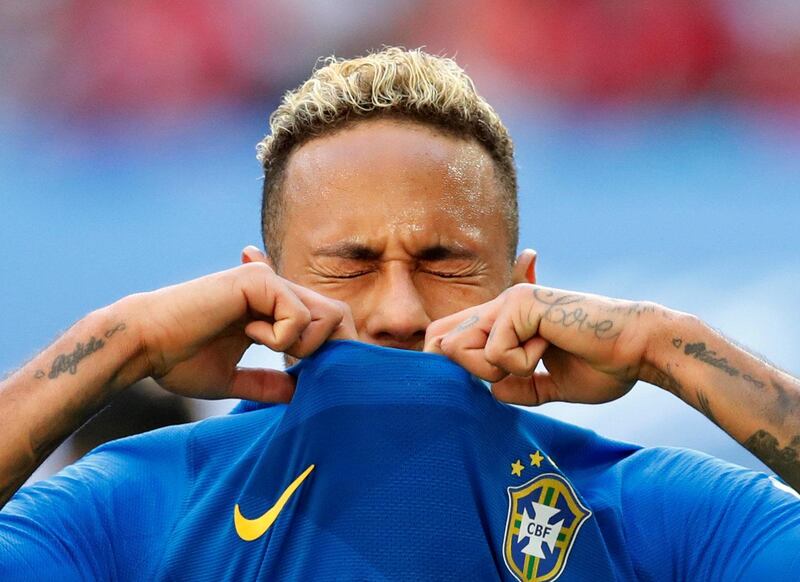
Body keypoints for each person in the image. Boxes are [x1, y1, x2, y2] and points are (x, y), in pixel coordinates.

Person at [1, 47, 798, 580]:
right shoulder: (139, 506)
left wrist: (668, 345)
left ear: (523, 288)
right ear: (256, 289)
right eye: (349, 265)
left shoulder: (647, 510)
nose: (398, 311)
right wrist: (121, 341)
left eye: (444, 264)